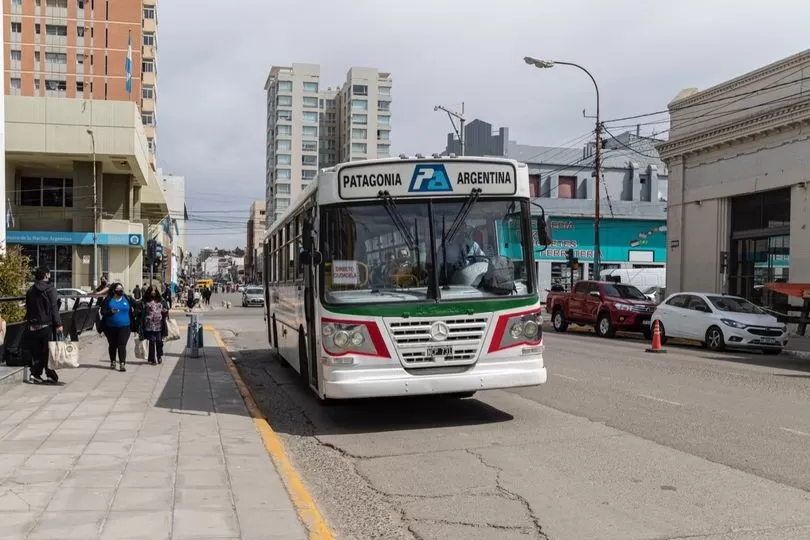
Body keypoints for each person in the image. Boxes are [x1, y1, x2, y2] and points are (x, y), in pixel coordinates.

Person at [23, 267, 63, 384]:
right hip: (46, 325)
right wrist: (59, 324)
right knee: (48, 352)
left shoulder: (31, 290)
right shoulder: (50, 289)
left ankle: (36, 374)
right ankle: (49, 375)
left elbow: (28, 307)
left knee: (38, 353)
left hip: (32, 325)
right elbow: (54, 307)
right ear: (46, 275)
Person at [100, 283, 135, 372]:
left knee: (122, 345)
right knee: (112, 345)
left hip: (125, 327)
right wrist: (110, 312)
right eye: (118, 289)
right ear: (113, 290)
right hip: (110, 327)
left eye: (121, 289)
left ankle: (122, 364)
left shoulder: (127, 298)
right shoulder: (108, 299)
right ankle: (113, 361)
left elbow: (136, 305)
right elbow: (103, 312)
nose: (120, 290)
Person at [138, 286, 168, 365]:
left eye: (155, 290)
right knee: (152, 341)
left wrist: (165, 311)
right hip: (149, 324)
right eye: (152, 290)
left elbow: (166, 308)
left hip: (159, 324)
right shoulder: (144, 301)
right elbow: (139, 310)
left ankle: (159, 356)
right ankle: (153, 358)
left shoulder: (161, 300)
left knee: (159, 341)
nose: (153, 292)